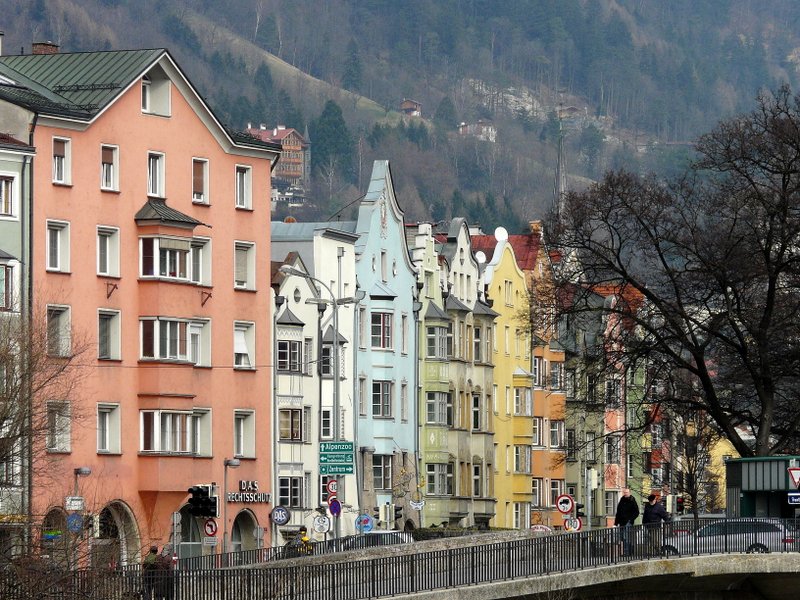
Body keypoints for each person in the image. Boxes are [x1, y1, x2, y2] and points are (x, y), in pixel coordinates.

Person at [614, 488, 639, 556]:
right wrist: (616, 523)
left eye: (627, 492)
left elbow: (636, 512)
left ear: (629, 493)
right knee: (622, 537)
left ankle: (627, 552)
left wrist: (630, 520)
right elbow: (618, 512)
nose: (625, 493)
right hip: (621, 522)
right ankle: (627, 551)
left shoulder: (632, 500)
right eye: (624, 492)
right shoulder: (622, 500)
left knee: (626, 537)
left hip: (628, 522)